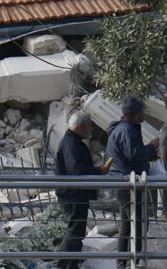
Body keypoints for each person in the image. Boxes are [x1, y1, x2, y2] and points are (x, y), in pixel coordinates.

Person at [106, 94, 159, 269]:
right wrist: (152, 147)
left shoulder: (124, 128)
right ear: (135, 114)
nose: (143, 114)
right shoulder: (127, 130)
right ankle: (135, 262)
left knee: (127, 226)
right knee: (140, 223)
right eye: (142, 111)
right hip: (127, 185)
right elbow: (134, 154)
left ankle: (123, 263)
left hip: (123, 183)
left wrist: (149, 154)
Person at [54, 111, 110, 269]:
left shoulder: (73, 142)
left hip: (74, 194)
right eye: (89, 126)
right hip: (73, 195)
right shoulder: (71, 144)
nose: (91, 129)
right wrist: (98, 171)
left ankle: (70, 265)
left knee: (76, 232)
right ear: (80, 127)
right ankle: (60, 264)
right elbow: (77, 172)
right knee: (74, 232)